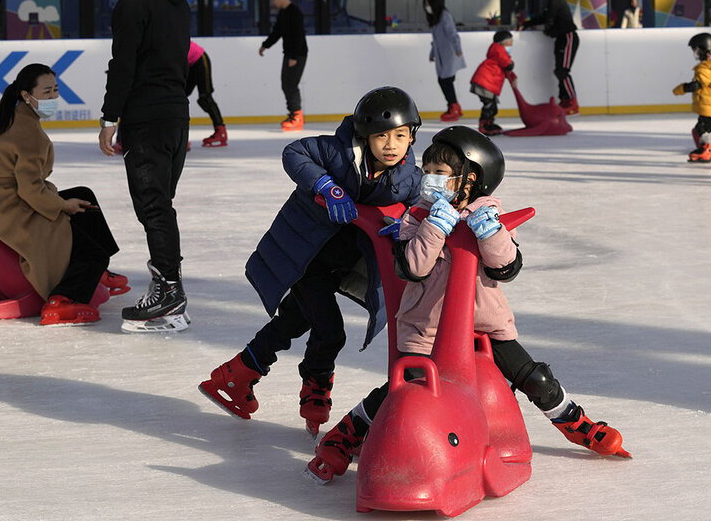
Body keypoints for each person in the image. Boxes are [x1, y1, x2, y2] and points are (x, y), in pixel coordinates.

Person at [305, 126, 630, 484]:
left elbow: (505, 268)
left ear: (470, 179)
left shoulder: (489, 213)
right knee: (405, 390)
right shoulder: (417, 217)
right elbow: (413, 267)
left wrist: (490, 233)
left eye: (440, 174)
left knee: (534, 376)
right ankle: (346, 434)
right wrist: (434, 228)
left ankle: (572, 420)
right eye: (427, 171)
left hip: (485, 325)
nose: (429, 180)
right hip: (426, 330)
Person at [198, 87, 423, 437]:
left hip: (341, 265)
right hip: (305, 257)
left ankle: (236, 373)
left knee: (292, 321)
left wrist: (406, 222)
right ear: (365, 135)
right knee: (330, 330)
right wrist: (325, 185)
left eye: (400, 136)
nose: (391, 145)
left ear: (412, 136)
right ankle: (315, 388)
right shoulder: (338, 152)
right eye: (381, 136)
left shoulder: (408, 176)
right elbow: (295, 151)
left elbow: (420, 205)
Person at [0, 64, 125, 325]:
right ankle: (62, 300)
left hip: (6, 203)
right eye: (46, 92)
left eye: (55, 90)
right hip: (17, 212)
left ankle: (100, 272)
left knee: (82, 194)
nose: (54, 97)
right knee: (93, 253)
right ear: (26, 95)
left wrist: (64, 201)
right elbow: (30, 189)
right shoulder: (27, 133)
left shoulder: (16, 117)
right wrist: (62, 206)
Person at [98, 0, 192, 334]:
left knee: (153, 207)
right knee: (160, 206)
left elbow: (124, 65)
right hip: (175, 116)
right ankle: (168, 285)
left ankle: (169, 291)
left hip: (148, 119)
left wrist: (108, 117)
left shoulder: (135, 0)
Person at [520, 0, 580, 115]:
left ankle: (572, 102)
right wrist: (527, 24)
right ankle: (565, 100)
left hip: (568, 37)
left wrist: (549, 30)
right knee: (559, 70)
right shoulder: (552, 0)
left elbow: (549, 19)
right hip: (561, 38)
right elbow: (546, 18)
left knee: (563, 71)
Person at [672, 33, 711, 163]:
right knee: (707, 128)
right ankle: (708, 151)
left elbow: (696, 85)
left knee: (702, 128)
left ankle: (706, 150)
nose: (695, 53)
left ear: (701, 49)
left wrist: (681, 89)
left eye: (696, 50)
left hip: (707, 105)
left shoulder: (704, 68)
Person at [259, 0, 308, 131]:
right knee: (285, 83)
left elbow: (299, 35)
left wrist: (294, 56)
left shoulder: (295, 12)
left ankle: (297, 117)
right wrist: (265, 45)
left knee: (291, 84)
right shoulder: (283, 13)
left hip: (297, 54)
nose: (273, 3)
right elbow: (277, 32)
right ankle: (293, 113)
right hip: (289, 54)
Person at [424, 0, 466, 122]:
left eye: (428, 4)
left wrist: (458, 49)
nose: (427, 7)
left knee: (445, 81)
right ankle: (454, 106)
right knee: (445, 81)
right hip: (441, 55)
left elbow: (453, 33)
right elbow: (435, 40)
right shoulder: (435, 19)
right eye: (425, 5)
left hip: (449, 54)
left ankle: (453, 107)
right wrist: (432, 54)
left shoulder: (444, 16)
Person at [470, 30, 517, 136]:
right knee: (489, 105)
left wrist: (513, 77)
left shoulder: (498, 52)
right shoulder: (498, 49)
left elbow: (506, 69)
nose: (511, 45)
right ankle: (484, 125)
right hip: (484, 83)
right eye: (509, 43)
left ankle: (489, 123)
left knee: (492, 106)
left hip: (487, 83)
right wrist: (511, 64)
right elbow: (507, 64)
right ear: (501, 43)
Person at [186, 40, 228, 148]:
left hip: (200, 59)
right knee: (178, 97)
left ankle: (220, 132)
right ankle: (179, 136)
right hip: (188, 62)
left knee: (205, 98)